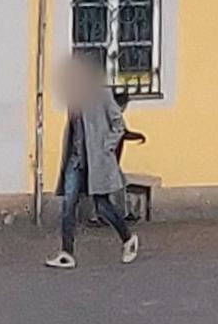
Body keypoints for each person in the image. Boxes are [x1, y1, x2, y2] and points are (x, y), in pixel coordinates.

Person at [45, 53, 139, 270]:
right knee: (69, 205)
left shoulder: (102, 94)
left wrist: (107, 147)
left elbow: (118, 124)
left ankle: (127, 238)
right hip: (75, 160)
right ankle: (66, 252)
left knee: (102, 205)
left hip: (94, 159)